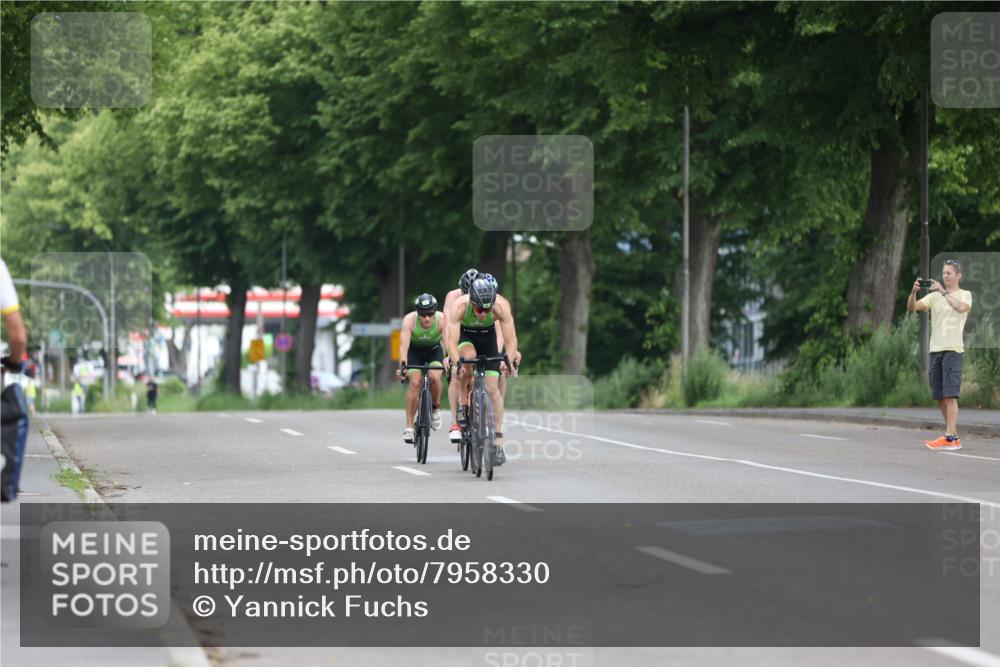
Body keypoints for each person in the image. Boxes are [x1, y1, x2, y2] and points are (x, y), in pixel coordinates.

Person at [447, 275, 519, 465]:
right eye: (478, 309)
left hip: (488, 338)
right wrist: (457, 364)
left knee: (493, 389)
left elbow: (511, 341)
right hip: (466, 335)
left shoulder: (501, 307)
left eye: (487, 309)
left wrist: (508, 361)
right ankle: (463, 404)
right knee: (467, 360)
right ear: (471, 302)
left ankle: (498, 443)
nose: (482, 313)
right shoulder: (460, 307)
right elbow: (451, 344)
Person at [907, 259, 973, 451]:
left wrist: (943, 293)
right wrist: (913, 293)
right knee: (939, 397)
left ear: (958, 276)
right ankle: (953, 435)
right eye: (943, 273)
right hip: (935, 351)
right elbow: (913, 308)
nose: (945, 276)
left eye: (949, 273)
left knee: (951, 395)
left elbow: (961, 308)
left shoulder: (965, 295)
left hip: (953, 350)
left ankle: (950, 438)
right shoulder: (934, 297)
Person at [396, 293, 445, 444]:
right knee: (415, 382)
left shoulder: (442, 319)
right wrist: (403, 368)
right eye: (423, 314)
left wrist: (452, 361)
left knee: (434, 378)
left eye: (430, 314)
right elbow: (403, 348)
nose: (427, 318)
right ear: (418, 313)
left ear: (435, 312)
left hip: (434, 353)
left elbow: (449, 343)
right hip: (414, 353)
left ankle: (435, 407)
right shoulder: (409, 320)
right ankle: (409, 427)